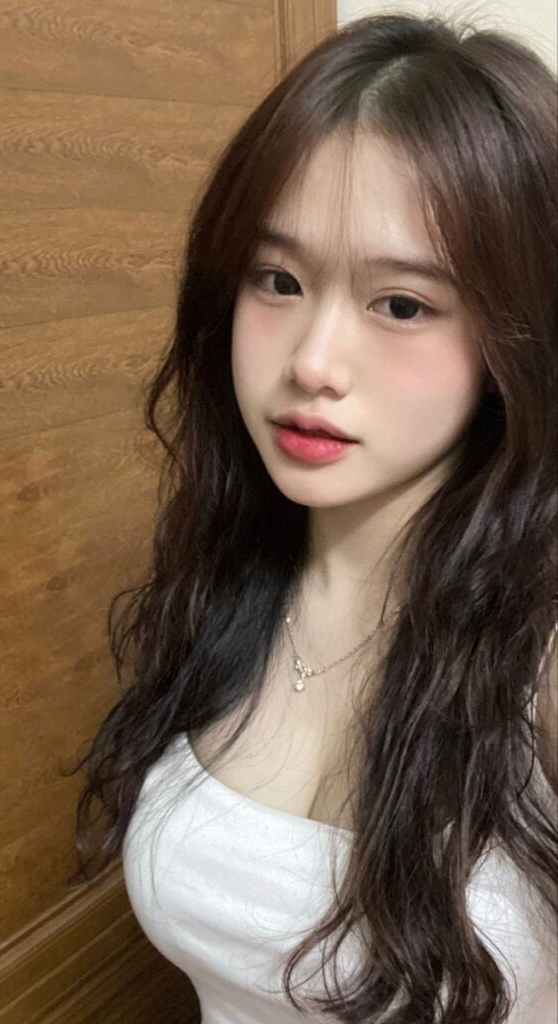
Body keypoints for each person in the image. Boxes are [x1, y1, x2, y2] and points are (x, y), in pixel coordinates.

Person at [67, 11, 558, 1023]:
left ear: (517, 336)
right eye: (279, 281)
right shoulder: (226, 579)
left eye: (402, 304)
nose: (313, 362)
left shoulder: (540, 657)